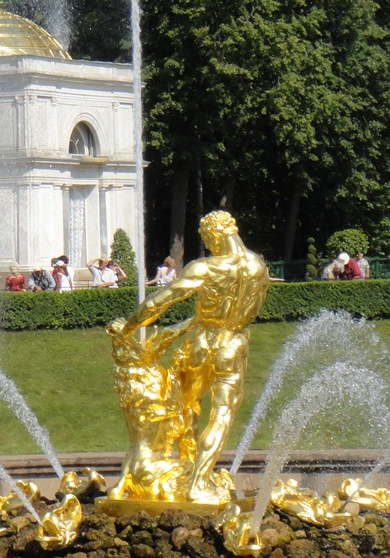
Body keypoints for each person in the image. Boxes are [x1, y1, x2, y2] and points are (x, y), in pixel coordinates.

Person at [108, 210, 269, 504]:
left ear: (214, 234)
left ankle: (185, 471)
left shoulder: (207, 268)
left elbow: (161, 300)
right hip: (233, 345)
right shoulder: (259, 267)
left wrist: (129, 328)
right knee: (221, 416)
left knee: (185, 405)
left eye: (207, 239)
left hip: (200, 344)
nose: (208, 245)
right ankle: (198, 481)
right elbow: (251, 312)